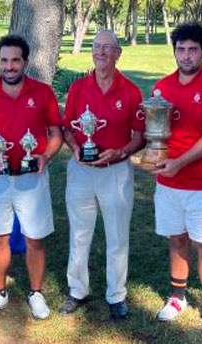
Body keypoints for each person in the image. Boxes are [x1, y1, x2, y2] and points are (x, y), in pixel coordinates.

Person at [0, 35, 63, 320]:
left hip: (31, 178)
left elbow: (56, 134)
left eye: (15, 60)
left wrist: (45, 156)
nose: (9, 66)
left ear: (26, 62)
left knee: (35, 239)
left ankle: (36, 293)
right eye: (4, 60)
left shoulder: (43, 93)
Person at [151, 23, 202, 334]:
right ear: (174, 51)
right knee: (177, 239)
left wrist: (178, 162)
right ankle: (177, 297)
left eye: (193, 50)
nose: (186, 56)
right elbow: (155, 134)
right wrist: (157, 161)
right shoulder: (161, 88)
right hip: (169, 183)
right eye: (181, 49)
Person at [59, 30, 145, 320]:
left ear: (118, 53)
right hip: (81, 170)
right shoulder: (78, 88)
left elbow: (139, 136)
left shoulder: (131, 90)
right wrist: (75, 148)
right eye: (96, 47)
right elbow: (67, 128)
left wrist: (121, 152)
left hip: (116, 171)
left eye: (108, 48)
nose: (101, 52)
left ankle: (116, 295)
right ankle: (77, 290)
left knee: (117, 236)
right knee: (79, 234)